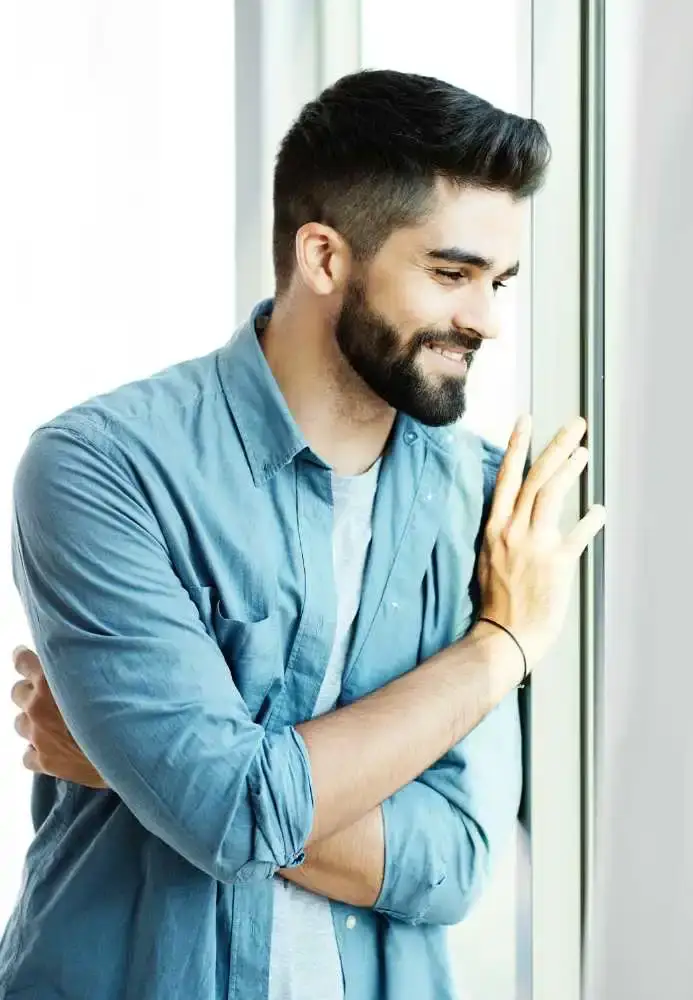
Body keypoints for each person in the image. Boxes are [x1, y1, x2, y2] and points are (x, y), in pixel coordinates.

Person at [1, 69, 604, 1000]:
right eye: (450, 273)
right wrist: (499, 648)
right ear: (324, 257)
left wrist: (150, 779)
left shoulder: (487, 504)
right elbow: (232, 812)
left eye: (498, 282)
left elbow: (455, 861)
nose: (484, 319)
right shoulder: (100, 469)